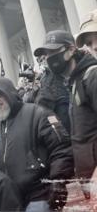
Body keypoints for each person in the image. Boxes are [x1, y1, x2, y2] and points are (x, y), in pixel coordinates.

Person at [0, 77, 74, 211]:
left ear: (10, 94)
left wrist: (58, 181)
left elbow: (61, 148)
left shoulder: (38, 114)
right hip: (7, 202)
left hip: (39, 194)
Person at [35, 29, 97, 199]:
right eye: (45, 55)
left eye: (53, 52)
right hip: (88, 178)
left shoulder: (91, 77)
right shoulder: (73, 82)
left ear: (71, 50)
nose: (48, 59)